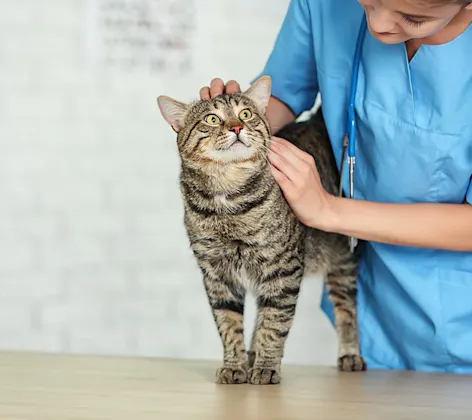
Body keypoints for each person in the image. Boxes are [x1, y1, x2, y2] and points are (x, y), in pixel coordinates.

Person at [199, 0, 472, 373]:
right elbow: (283, 93)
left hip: (460, 322)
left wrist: (328, 210)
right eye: (368, 1)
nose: (378, 25)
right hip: (368, 305)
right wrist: (234, 122)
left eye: (413, 18)